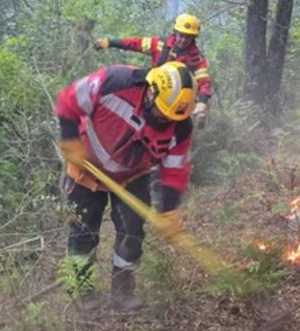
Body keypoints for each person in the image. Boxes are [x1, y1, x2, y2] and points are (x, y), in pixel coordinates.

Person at [54, 61, 196, 313]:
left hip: (131, 177)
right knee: (82, 235)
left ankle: (122, 291)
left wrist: (169, 210)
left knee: (132, 233)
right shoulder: (113, 83)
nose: (164, 121)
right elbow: (68, 99)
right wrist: (69, 138)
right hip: (85, 171)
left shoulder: (180, 125)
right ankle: (83, 291)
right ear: (151, 92)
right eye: (162, 113)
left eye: (170, 117)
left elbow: (174, 169)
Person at [93, 13, 211, 128]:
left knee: (183, 125)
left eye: (188, 37)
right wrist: (110, 42)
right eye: (181, 35)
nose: (183, 40)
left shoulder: (196, 59)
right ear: (175, 33)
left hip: (173, 101)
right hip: (151, 87)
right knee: (129, 77)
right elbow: (135, 44)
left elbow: (204, 81)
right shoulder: (159, 44)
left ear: (194, 38)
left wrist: (202, 102)